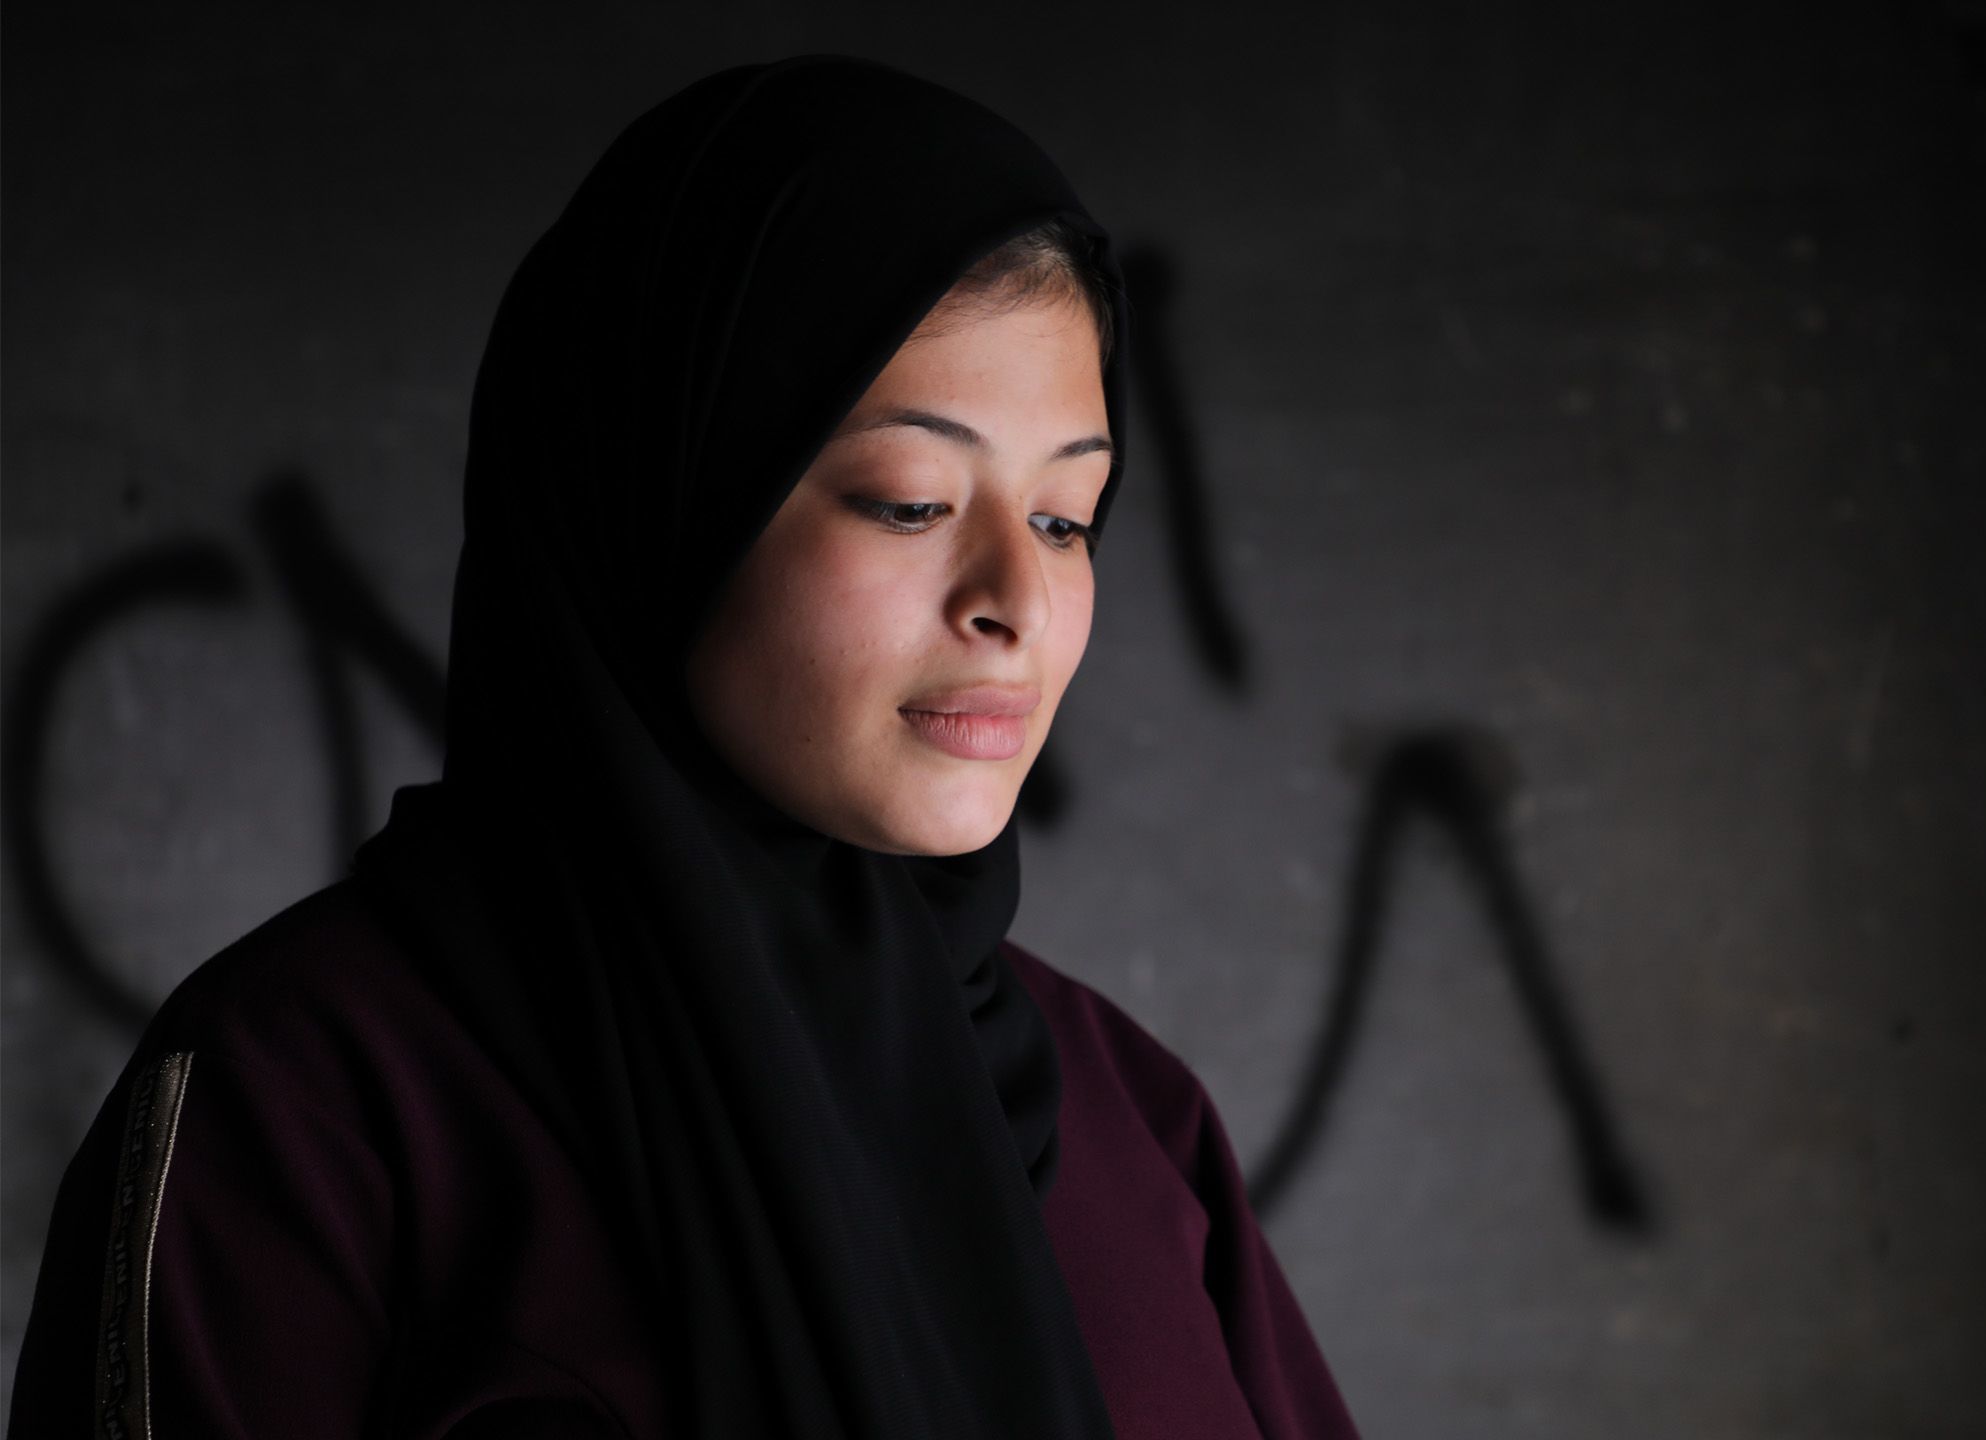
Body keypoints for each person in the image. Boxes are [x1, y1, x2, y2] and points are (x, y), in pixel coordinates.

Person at [9, 56, 1363, 1440]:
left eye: (1070, 517)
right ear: (663, 506)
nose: (1015, 601)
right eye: (908, 501)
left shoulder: (1129, 1113)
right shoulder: (306, 1101)